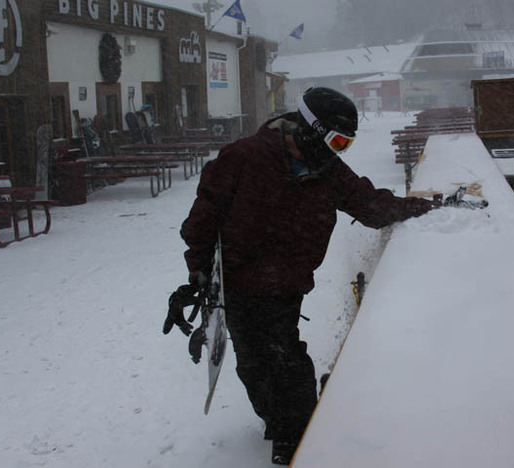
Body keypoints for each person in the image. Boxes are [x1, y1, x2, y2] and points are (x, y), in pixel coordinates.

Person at [178, 87, 438, 465]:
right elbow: (202, 221)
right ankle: (278, 422)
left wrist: (423, 208)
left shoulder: (327, 170)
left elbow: (370, 204)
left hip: (286, 285)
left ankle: (299, 440)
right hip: (241, 283)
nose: (337, 151)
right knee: (253, 363)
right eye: (335, 140)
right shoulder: (244, 158)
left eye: (345, 144)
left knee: (287, 361)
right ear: (308, 129)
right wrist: (196, 275)